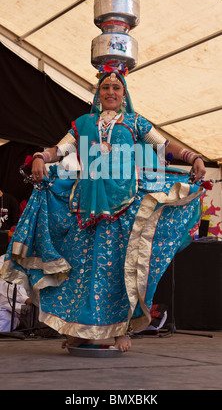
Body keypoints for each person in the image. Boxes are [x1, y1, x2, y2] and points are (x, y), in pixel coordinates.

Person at [1, 62, 206, 352]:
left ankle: (123, 330)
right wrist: (39, 156)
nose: (111, 91)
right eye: (106, 87)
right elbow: (59, 151)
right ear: (98, 93)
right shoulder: (83, 124)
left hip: (125, 205)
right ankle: (82, 330)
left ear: (125, 94)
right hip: (85, 208)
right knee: (83, 270)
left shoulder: (135, 123)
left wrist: (193, 156)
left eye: (116, 87)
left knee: (121, 271)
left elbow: (165, 146)